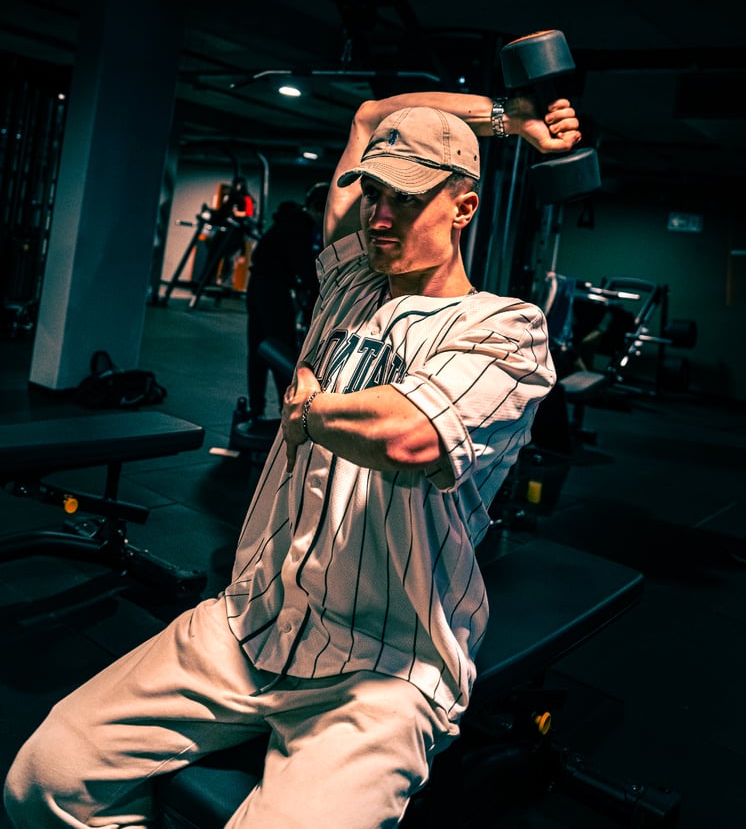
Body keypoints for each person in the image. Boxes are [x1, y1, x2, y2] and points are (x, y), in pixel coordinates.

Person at [4, 88, 580, 829]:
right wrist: (509, 119)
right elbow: (370, 114)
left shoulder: (505, 327)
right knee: (45, 777)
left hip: (382, 668)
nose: (379, 217)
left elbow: (410, 436)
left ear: (463, 208)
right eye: (373, 195)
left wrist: (308, 412)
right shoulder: (348, 281)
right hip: (252, 622)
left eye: (405, 200)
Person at [239, 190, 327, 434]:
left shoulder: (287, 222)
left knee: (258, 347)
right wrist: (318, 290)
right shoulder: (299, 226)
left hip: (258, 287)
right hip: (272, 290)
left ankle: (256, 408)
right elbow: (304, 267)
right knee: (281, 347)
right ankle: (286, 409)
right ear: (319, 209)